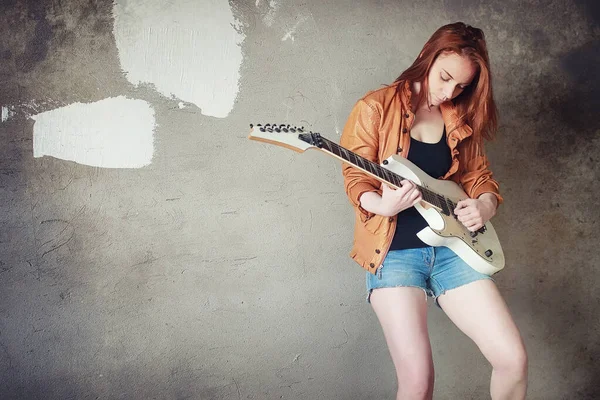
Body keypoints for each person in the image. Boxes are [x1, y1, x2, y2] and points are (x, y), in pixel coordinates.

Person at [340, 22, 528, 400]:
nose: (448, 92)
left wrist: (485, 205)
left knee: (513, 360)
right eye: (444, 78)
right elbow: (355, 176)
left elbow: (479, 176)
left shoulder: (458, 115)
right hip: (394, 253)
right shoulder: (375, 106)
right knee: (418, 382)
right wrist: (382, 203)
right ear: (428, 53)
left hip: (453, 250)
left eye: (461, 87)